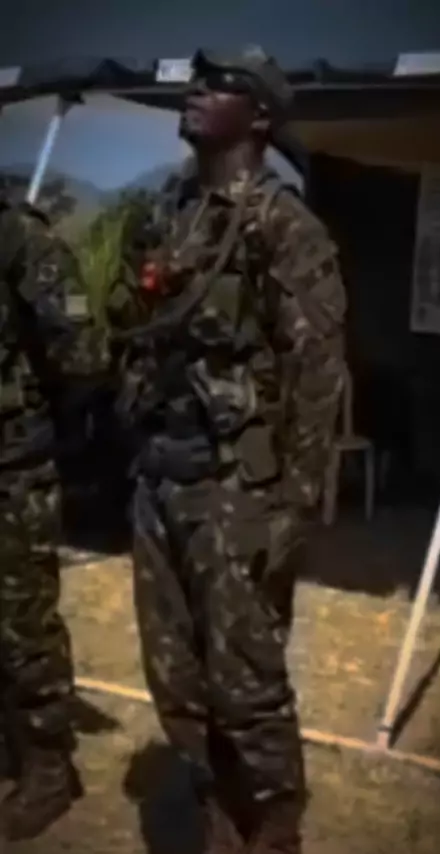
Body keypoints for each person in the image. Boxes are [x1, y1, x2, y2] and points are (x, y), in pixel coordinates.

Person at [110, 46, 346, 853]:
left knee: (245, 680)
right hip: (161, 474)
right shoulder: (171, 212)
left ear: (260, 116)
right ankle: (215, 812)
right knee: (175, 673)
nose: (197, 93)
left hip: (234, 488)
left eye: (220, 87)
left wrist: (295, 507)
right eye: (197, 81)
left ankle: (273, 828)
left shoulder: (285, 226)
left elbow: (318, 375)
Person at [0, 200, 106, 841]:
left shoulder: (21, 239)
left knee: (21, 623)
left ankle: (48, 766)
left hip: (11, 470)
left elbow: (83, 358)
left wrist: (41, 433)